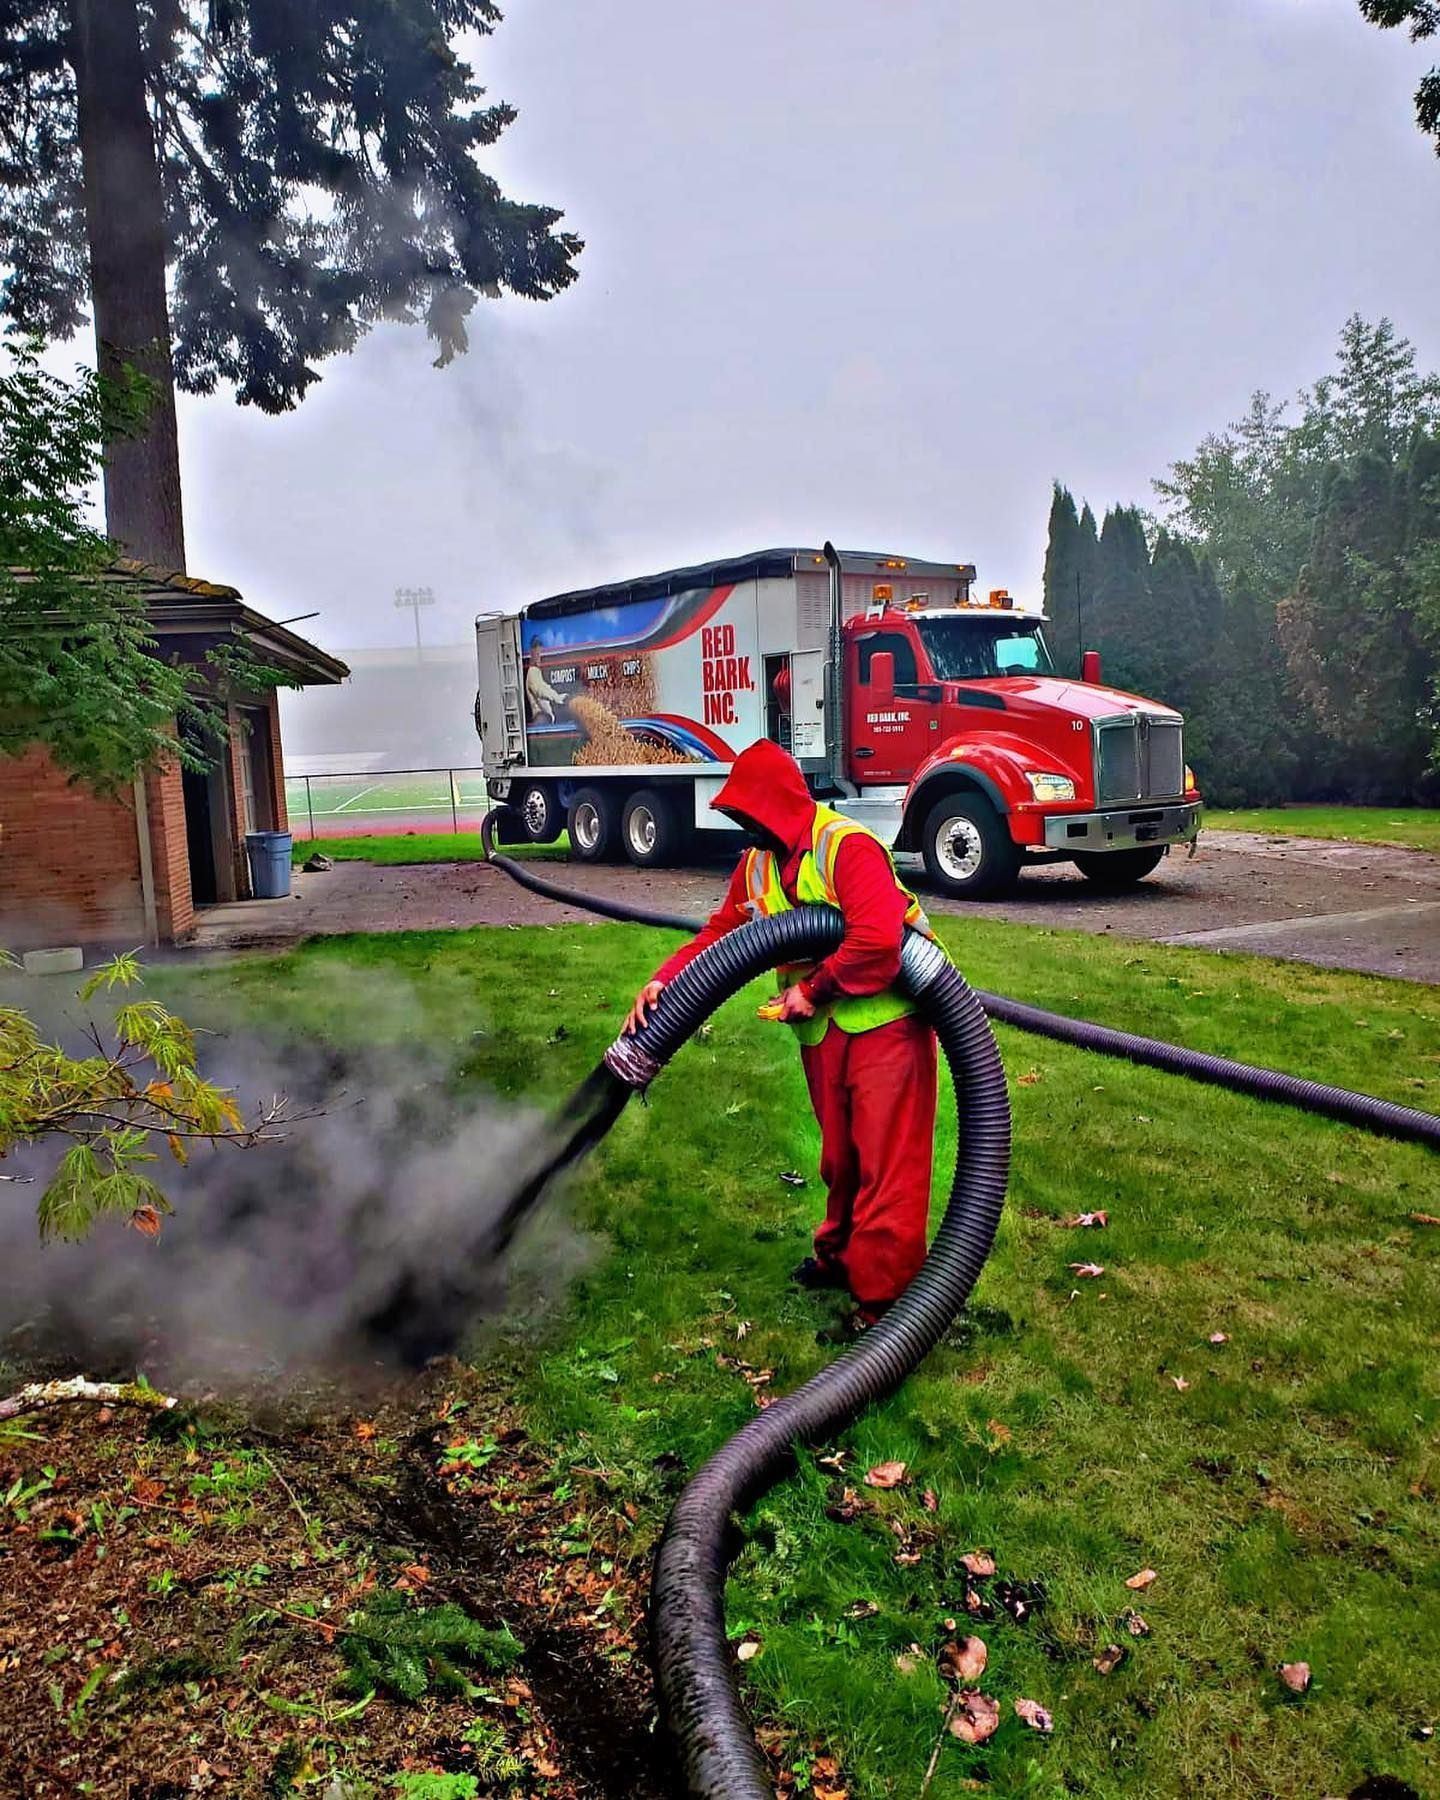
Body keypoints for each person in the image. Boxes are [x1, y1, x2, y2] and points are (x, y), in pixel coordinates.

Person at [624, 739, 938, 1337]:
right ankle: (840, 1259)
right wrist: (664, 981)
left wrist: (812, 991)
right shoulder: (758, 863)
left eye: (749, 814)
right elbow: (721, 935)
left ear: (777, 805)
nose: (743, 825)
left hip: (888, 1023)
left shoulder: (846, 847)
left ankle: (886, 1308)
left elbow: (876, 941)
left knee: (886, 1169)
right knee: (841, 1161)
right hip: (826, 1034)